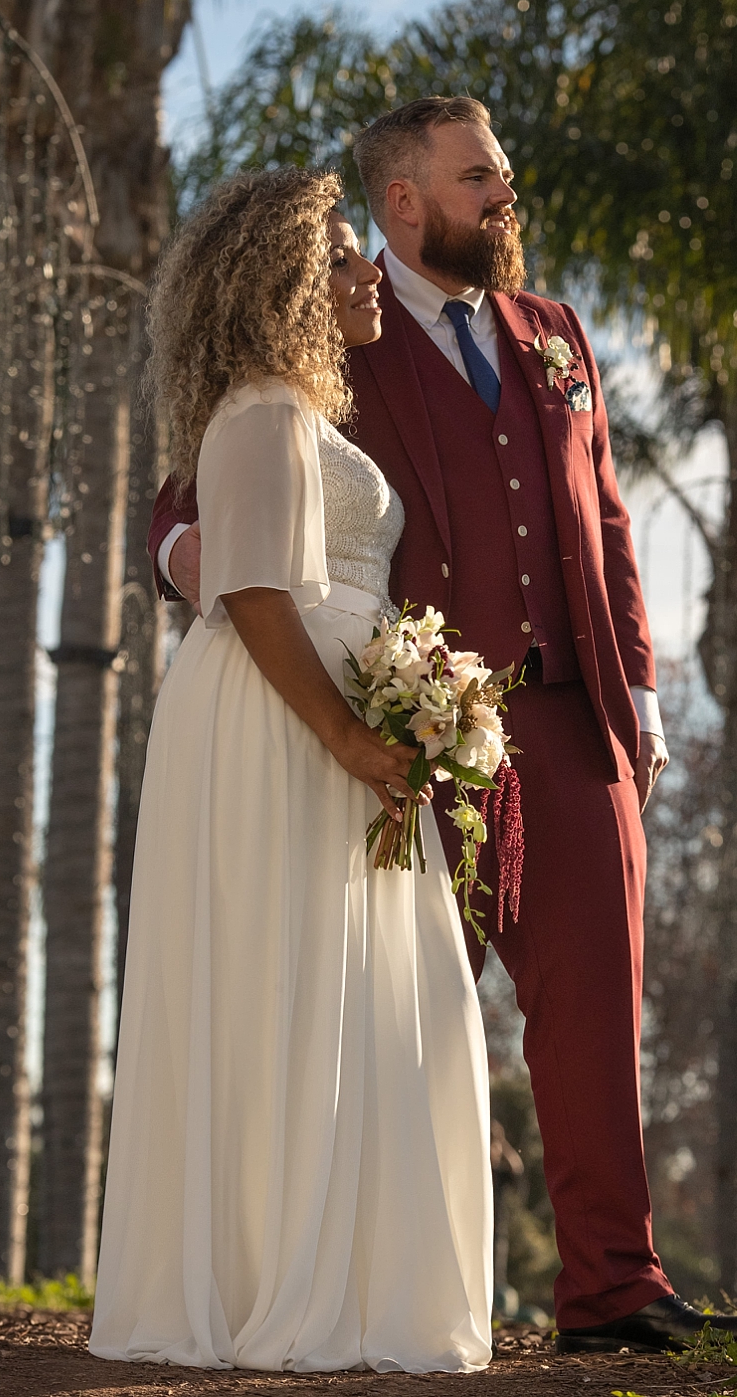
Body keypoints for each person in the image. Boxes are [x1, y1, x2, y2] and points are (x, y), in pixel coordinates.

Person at [145, 96, 737, 1355]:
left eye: (504, 173)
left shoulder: (556, 334)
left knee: (597, 1006)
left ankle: (611, 1288)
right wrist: (199, 564)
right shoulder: (330, 328)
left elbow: (608, 524)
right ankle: (352, 1278)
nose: (505, 195)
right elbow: (189, 493)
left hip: (572, 721)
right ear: (404, 202)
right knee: (386, 1013)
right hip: (402, 730)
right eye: (480, 176)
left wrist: (637, 691)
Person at [90, 167, 493, 1373]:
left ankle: (352, 1278)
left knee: (342, 988)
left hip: (330, 715)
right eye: (344, 256)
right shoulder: (261, 410)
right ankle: (278, 1280)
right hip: (284, 721)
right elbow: (256, 594)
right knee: (286, 983)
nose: (373, 272)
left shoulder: (303, 416)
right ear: (288, 283)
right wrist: (357, 737)